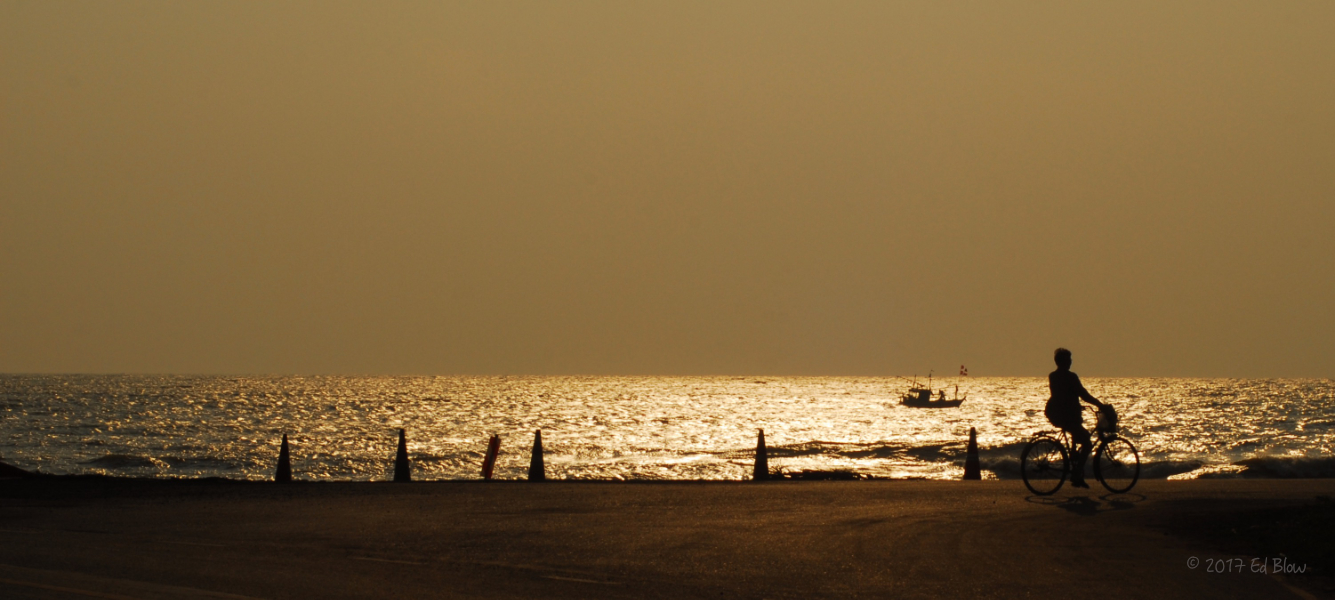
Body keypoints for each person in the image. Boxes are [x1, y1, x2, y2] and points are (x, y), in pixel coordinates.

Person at [1046, 347, 1104, 488]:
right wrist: (1100, 404)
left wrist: (1077, 405)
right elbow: (1083, 394)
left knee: (1075, 430)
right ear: (1065, 361)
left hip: (1055, 413)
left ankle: (1074, 460)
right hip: (1066, 415)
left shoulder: (1053, 376)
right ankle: (1077, 473)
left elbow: (1063, 395)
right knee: (1087, 443)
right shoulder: (1071, 377)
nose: (1071, 362)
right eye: (1069, 359)